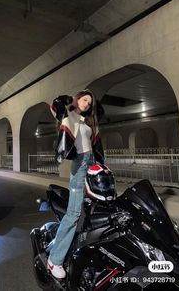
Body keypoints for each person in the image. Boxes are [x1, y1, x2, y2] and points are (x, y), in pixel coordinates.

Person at [47, 89, 105, 279]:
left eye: (89, 102)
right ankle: (54, 259)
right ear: (78, 99)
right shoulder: (68, 114)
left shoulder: (88, 122)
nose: (87, 104)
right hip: (79, 166)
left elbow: (94, 145)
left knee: (93, 209)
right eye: (84, 100)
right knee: (73, 214)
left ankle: (83, 248)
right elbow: (54, 107)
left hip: (91, 165)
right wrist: (64, 100)